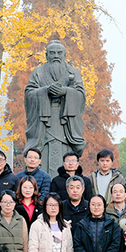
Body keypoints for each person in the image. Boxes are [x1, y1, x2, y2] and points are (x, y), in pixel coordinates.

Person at [23, 40, 87, 176]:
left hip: (66, 122)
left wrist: (65, 91)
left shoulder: (73, 72)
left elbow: (80, 95)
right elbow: (29, 94)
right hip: (43, 123)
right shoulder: (38, 72)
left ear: (64, 55)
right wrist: (45, 90)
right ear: (46, 55)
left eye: (59, 53)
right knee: (43, 153)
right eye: (52, 53)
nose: (56, 56)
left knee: (66, 153)